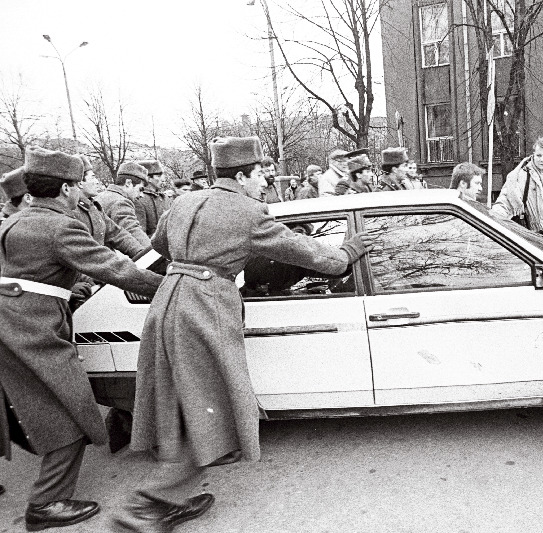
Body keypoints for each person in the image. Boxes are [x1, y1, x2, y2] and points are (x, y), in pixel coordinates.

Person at [114, 136, 375, 532]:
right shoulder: (248, 211)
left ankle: (167, 497)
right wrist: (346, 253)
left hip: (168, 302)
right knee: (213, 406)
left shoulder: (182, 202)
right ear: (241, 175)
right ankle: (146, 505)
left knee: (185, 403)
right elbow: (309, 255)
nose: (264, 185)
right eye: (259, 177)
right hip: (206, 309)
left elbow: (157, 246)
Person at [0, 147, 163, 532]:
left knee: (37, 405)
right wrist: (173, 283)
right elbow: (116, 267)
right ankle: (45, 504)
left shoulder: (17, 221)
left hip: (15, 319)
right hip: (31, 325)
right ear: (68, 188)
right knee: (67, 407)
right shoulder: (60, 226)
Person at [73, 155, 144, 259]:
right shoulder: (73, 211)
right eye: (92, 177)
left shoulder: (93, 207)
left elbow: (117, 234)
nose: (97, 181)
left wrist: (142, 253)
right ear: (80, 182)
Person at [95, 162, 151, 248]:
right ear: (128, 183)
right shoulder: (121, 202)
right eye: (140, 189)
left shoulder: (100, 196)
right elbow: (132, 231)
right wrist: (154, 254)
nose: (141, 195)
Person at [134, 160, 171, 237]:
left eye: (162, 175)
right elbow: (140, 234)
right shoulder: (139, 200)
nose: (163, 179)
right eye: (158, 176)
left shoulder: (165, 198)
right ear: (148, 178)